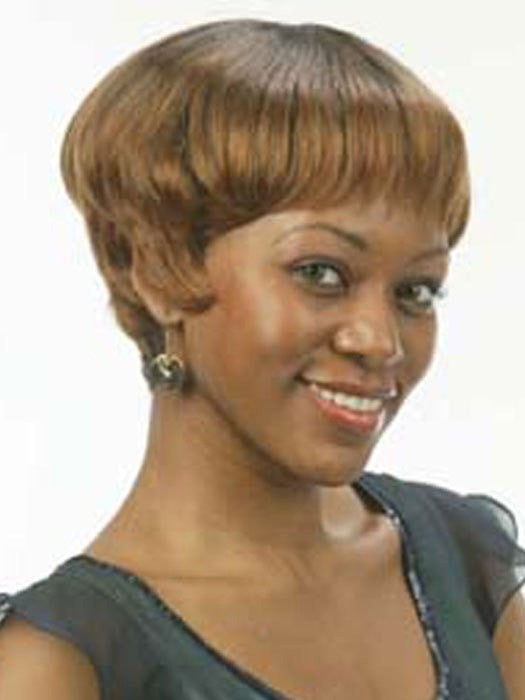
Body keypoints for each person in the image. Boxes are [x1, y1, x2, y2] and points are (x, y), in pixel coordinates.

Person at [0, 18, 523, 700]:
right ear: (156, 269)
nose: (381, 340)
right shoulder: (63, 666)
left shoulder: (463, 568)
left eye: (415, 291)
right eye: (321, 273)